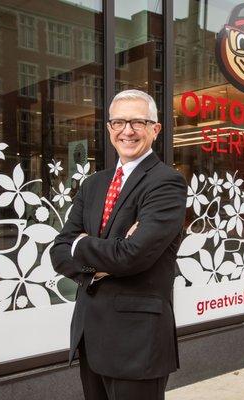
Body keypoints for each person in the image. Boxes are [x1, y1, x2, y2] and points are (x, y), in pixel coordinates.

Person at [50, 89, 188, 400]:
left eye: (138, 122)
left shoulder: (166, 182)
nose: (127, 131)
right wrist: (98, 264)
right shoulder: (94, 183)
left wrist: (83, 243)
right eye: (119, 122)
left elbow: (131, 255)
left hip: (136, 342)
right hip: (90, 333)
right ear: (109, 128)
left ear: (155, 129)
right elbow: (59, 250)